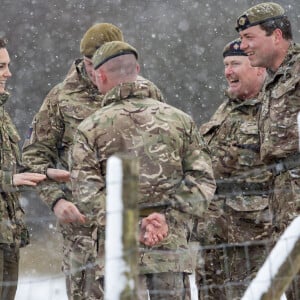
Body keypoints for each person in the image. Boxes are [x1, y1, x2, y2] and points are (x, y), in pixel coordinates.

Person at [21, 23, 165, 299]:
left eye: (105, 63)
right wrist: (56, 201)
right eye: (89, 62)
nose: (95, 70)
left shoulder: (146, 92)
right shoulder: (62, 97)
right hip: (84, 228)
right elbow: (33, 157)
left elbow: (164, 150)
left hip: (137, 222)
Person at [69, 40, 216, 299]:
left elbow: (86, 192)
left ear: (99, 75)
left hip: (119, 254)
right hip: (169, 250)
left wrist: (130, 227)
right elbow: (202, 179)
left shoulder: (90, 128)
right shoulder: (180, 121)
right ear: (137, 68)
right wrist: (167, 220)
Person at [196, 38, 272, 299]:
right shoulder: (225, 110)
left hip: (252, 239)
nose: (229, 71)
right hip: (213, 239)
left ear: (259, 68)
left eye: (236, 64)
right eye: (226, 65)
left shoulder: (274, 110)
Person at [236, 2, 300, 298]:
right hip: (281, 196)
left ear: (276, 36)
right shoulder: (273, 81)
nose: (243, 45)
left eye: (250, 37)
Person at [0, 38, 47, 300]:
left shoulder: (2, 113)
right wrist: (9, 179)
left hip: (7, 235)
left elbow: (13, 164)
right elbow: (9, 175)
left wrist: (47, 173)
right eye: (1, 66)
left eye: (8, 65)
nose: (9, 73)